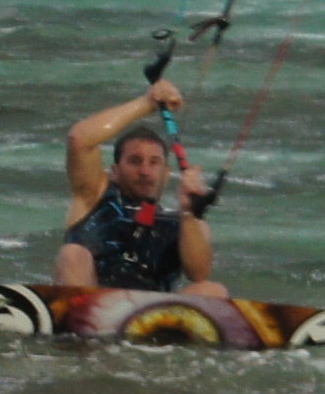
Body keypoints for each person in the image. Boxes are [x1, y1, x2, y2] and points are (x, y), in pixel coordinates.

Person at [54, 76, 223, 296]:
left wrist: (189, 212)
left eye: (154, 163)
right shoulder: (93, 198)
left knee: (213, 290)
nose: (144, 171)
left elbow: (198, 273)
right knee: (72, 254)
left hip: (151, 317)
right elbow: (79, 139)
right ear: (115, 171)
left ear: (167, 173)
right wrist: (147, 104)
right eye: (135, 161)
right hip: (88, 305)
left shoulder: (183, 224)